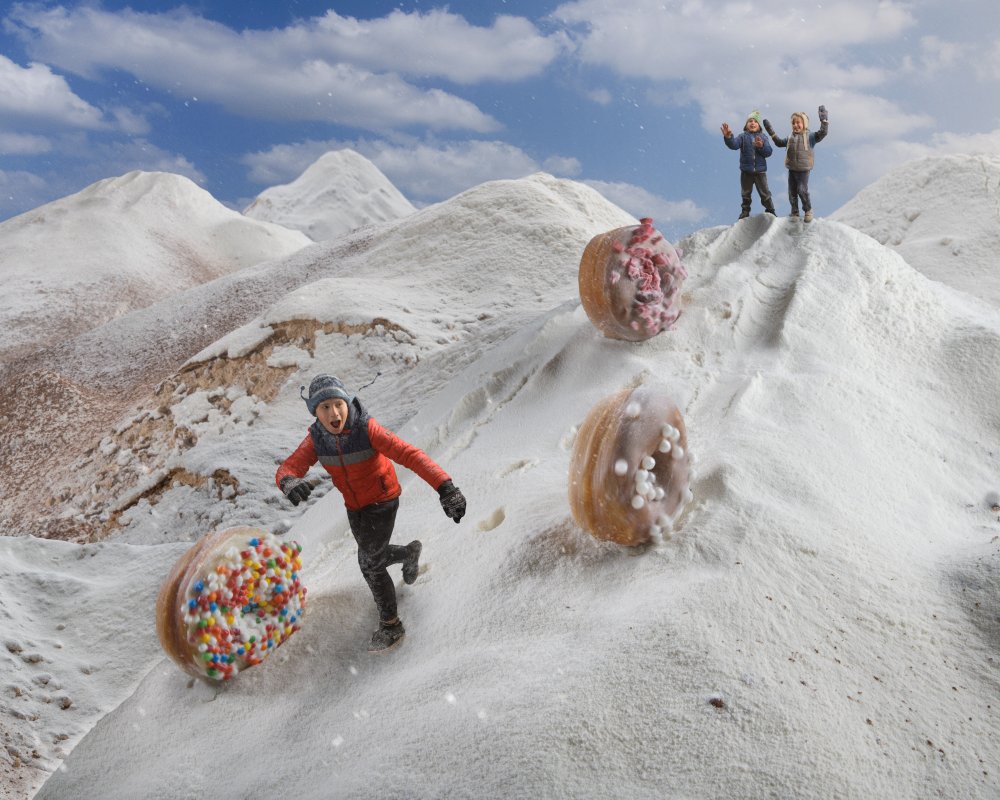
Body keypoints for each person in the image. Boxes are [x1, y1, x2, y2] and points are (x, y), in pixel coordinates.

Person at [276, 374, 467, 652]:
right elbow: (289, 467)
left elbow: (409, 454)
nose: (334, 413)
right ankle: (408, 553)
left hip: (382, 500)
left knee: (370, 564)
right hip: (354, 506)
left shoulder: (367, 429)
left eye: (337, 404)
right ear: (315, 413)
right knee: (373, 556)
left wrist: (446, 487)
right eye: (324, 407)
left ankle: (391, 625)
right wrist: (288, 481)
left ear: (346, 402)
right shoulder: (317, 439)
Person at [763, 106, 829, 222]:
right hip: (792, 168)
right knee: (792, 192)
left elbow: (823, 133)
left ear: (804, 124)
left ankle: (808, 210)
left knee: (802, 190)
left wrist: (824, 121)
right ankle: (794, 211)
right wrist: (771, 131)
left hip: (804, 169)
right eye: (793, 123)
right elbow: (778, 143)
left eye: (798, 122)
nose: (795, 125)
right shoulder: (790, 137)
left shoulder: (811, 137)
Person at [721, 110, 776, 219]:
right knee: (746, 193)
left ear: (759, 126)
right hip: (746, 172)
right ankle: (745, 211)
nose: (752, 123)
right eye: (750, 121)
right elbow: (734, 145)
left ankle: (770, 210)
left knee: (765, 193)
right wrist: (728, 137)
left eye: (755, 121)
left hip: (760, 172)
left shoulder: (763, 137)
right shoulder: (742, 137)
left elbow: (768, 152)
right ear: (746, 125)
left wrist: (761, 146)